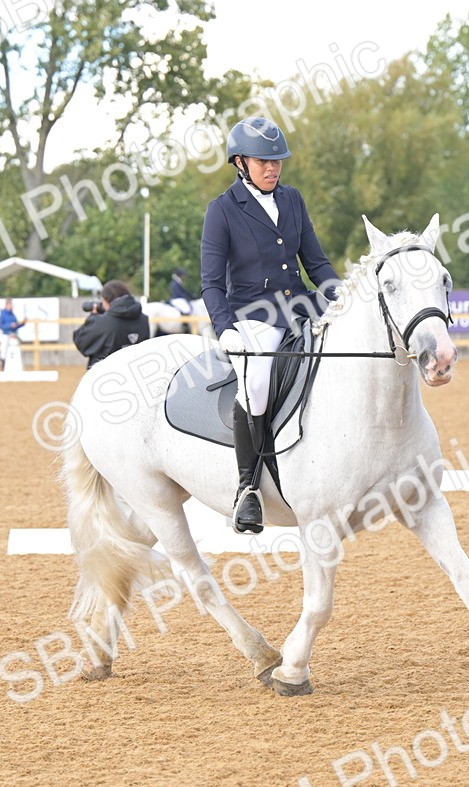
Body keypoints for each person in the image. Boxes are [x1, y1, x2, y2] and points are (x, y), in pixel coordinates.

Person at [200, 116, 340, 533]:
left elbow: (315, 263)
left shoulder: (293, 199)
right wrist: (225, 327)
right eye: (264, 161)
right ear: (240, 162)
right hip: (254, 315)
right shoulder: (222, 210)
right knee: (256, 382)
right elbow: (210, 283)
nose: (273, 168)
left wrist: (341, 294)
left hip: (302, 305)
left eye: (277, 160)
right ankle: (248, 489)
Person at [72, 280, 151, 369]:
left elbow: (80, 341)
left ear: (106, 300)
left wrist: (93, 316)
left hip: (106, 376)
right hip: (135, 374)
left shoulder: (103, 322)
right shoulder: (144, 319)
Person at [0, 298, 26, 368]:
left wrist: (22, 323)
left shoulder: (12, 314)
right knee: (3, 352)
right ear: (6, 305)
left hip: (13, 335)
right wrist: (9, 326)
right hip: (5, 335)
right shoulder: (3, 314)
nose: (11, 306)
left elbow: (15, 325)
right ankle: (3, 367)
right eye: (10, 304)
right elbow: (1, 326)